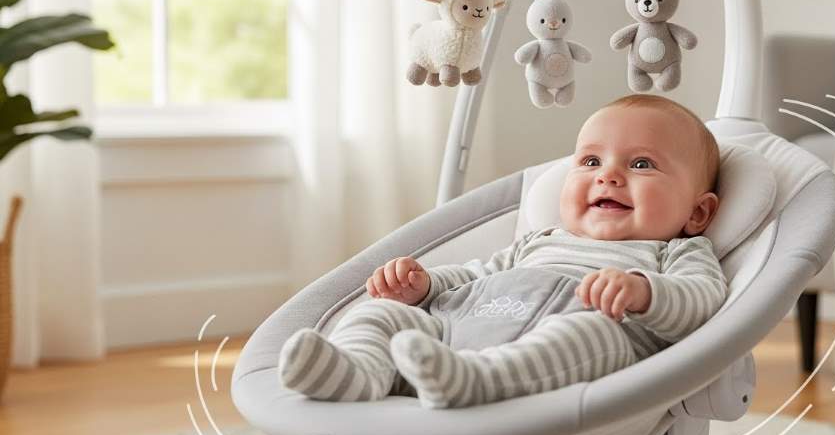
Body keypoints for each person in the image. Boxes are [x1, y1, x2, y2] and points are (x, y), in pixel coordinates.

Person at [278, 94, 727, 408]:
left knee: (592, 336)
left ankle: (478, 382)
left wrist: (644, 292)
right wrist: (425, 286)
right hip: (460, 332)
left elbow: (702, 302)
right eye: (591, 161)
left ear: (698, 213)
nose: (607, 176)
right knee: (383, 315)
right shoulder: (540, 240)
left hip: (569, 346)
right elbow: (477, 274)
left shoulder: (674, 253)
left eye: (641, 164)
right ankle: (357, 373)